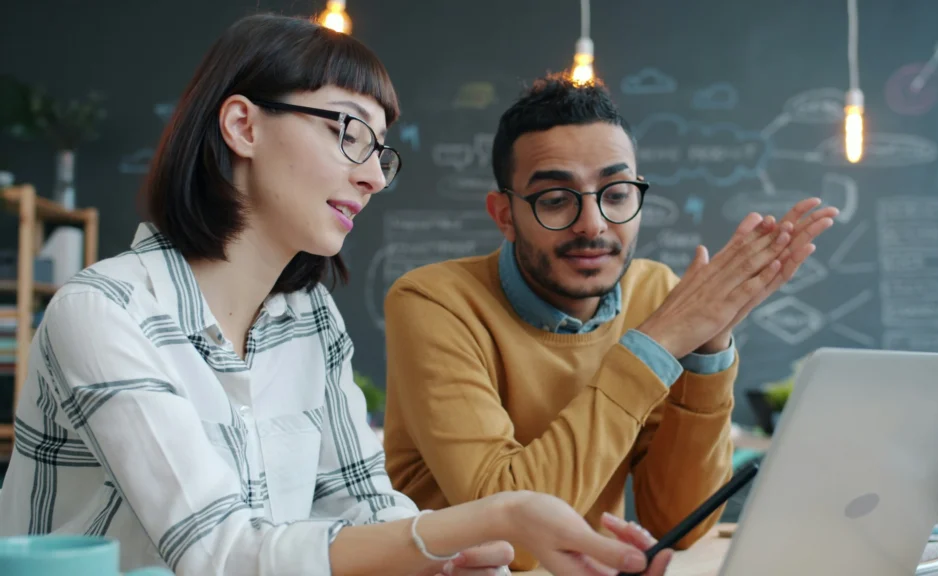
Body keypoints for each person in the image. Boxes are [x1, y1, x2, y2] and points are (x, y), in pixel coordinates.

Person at [0, 15, 674, 576]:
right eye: (347, 131)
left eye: (380, 153)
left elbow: (363, 504)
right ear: (242, 126)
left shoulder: (307, 319)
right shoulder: (104, 311)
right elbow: (218, 555)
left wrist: (448, 558)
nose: (372, 179)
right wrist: (491, 515)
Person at [382, 74, 839, 571]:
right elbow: (515, 536)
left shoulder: (656, 294)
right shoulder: (432, 301)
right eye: (555, 199)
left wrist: (709, 349)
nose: (594, 224)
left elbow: (677, 525)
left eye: (617, 193)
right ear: (505, 215)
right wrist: (656, 343)